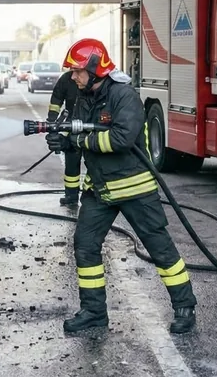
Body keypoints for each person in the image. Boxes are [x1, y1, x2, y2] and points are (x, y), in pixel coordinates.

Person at [46, 38, 197, 335]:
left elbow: (120, 139)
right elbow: (79, 135)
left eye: (77, 71)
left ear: (95, 68)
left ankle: (185, 306)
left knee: (160, 249)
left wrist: (76, 140)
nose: (72, 77)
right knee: (85, 247)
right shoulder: (83, 98)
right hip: (99, 190)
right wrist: (63, 142)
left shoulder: (124, 96)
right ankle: (93, 312)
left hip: (134, 189)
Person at [47, 66, 83, 206]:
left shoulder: (91, 82)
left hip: (91, 127)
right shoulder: (66, 79)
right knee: (71, 162)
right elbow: (56, 99)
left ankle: (96, 196)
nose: (74, 75)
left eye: (77, 71)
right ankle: (71, 195)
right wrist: (51, 121)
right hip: (71, 126)